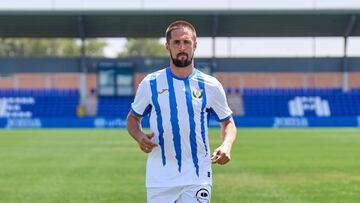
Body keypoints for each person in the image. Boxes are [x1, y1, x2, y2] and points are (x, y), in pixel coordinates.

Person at [126, 20, 237, 203]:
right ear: (167, 46)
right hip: (159, 177)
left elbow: (228, 122)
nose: (182, 47)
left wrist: (226, 146)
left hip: (197, 175)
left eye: (186, 42)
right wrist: (139, 137)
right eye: (176, 42)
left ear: (195, 45)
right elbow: (132, 119)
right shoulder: (150, 83)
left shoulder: (210, 85)